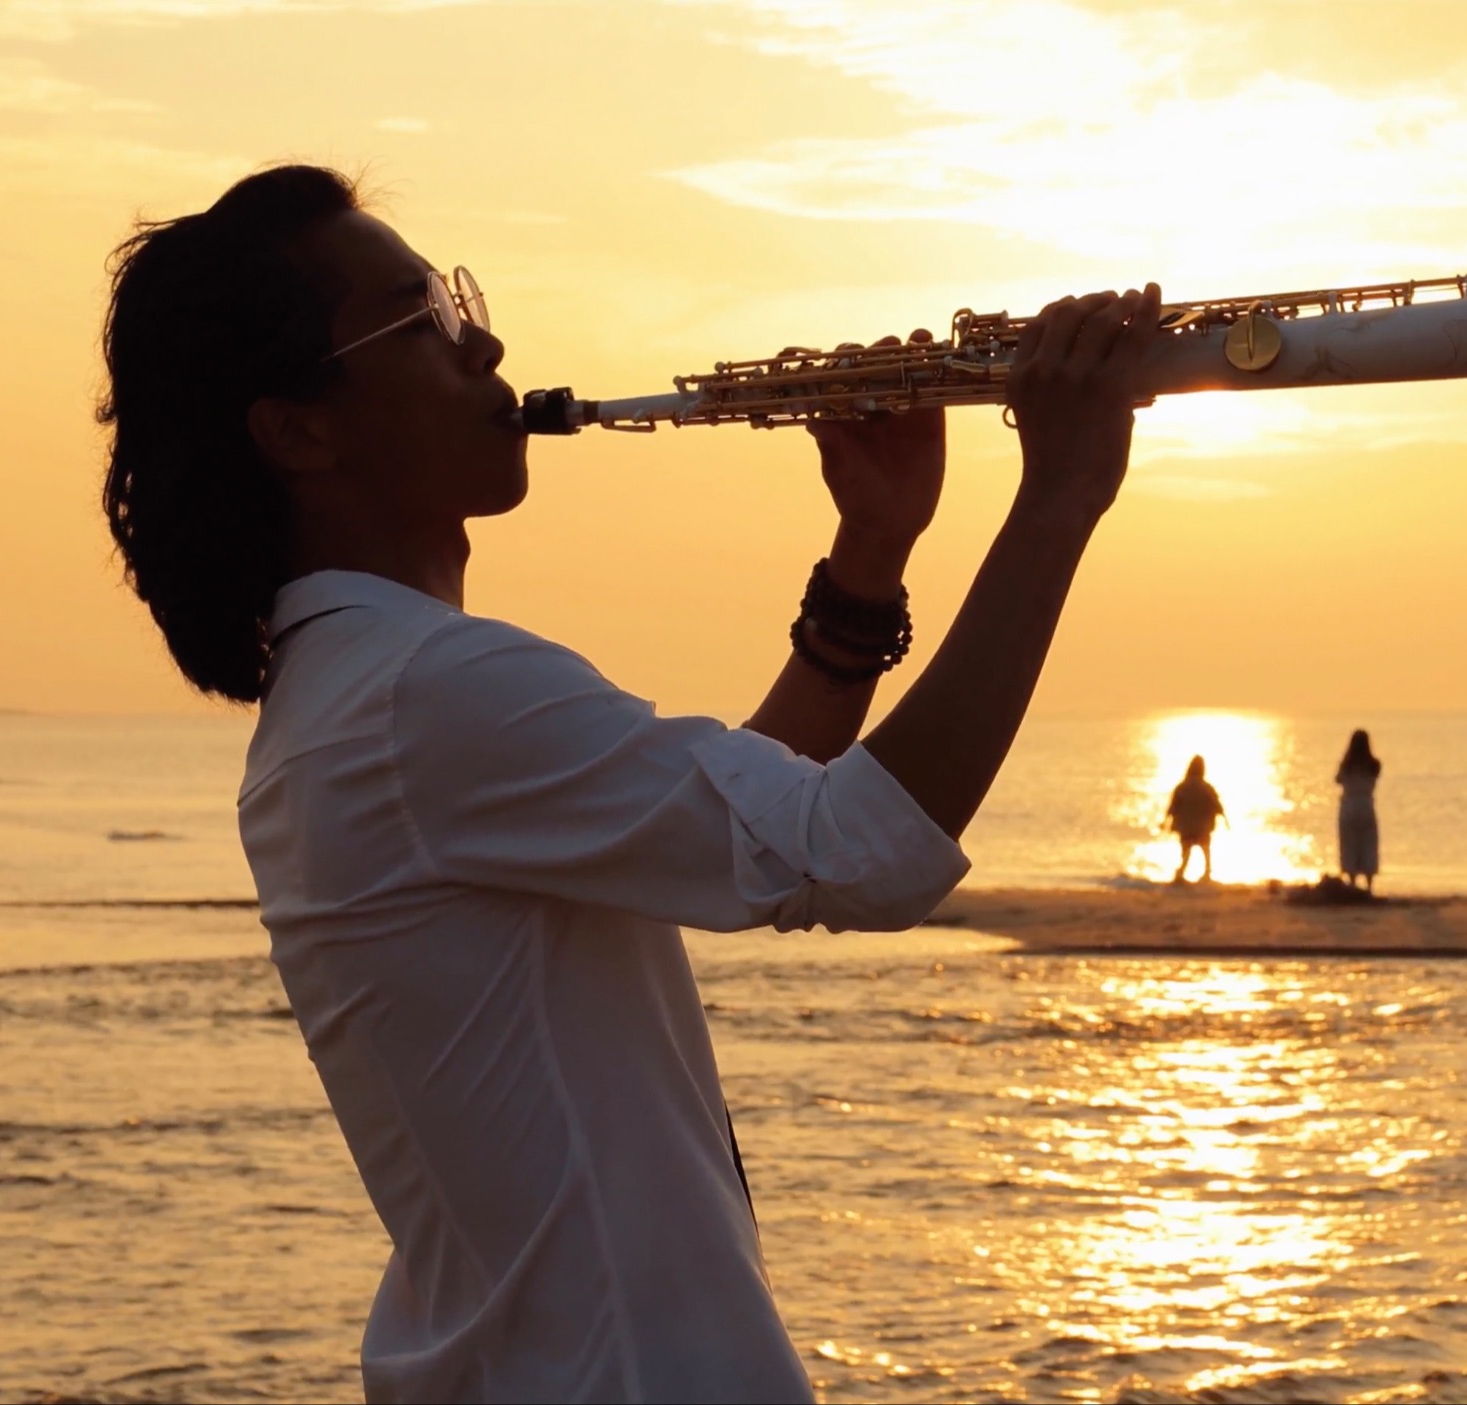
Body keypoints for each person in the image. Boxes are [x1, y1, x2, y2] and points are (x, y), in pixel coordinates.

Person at [96, 165, 1161, 1404]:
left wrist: (870, 553)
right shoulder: (420, 691)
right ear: (299, 429)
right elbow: (859, 851)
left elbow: (763, 812)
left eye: (457, 298)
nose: (483, 338)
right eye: (422, 320)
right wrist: (1059, 497)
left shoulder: (365, 692)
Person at [1162, 754, 1225, 883]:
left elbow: (1173, 806)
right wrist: (1224, 819)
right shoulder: (1207, 788)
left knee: (1186, 852)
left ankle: (1180, 873)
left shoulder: (1182, 787)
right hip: (1203, 826)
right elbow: (1217, 805)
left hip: (1185, 827)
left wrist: (1165, 821)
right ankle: (1207, 873)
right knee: (1206, 850)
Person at [1335, 729, 1382, 892]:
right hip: (1366, 804)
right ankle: (1369, 885)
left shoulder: (1346, 765)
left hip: (1349, 804)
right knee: (1368, 843)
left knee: (1350, 842)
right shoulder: (1374, 765)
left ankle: (1352, 880)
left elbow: (1338, 779)